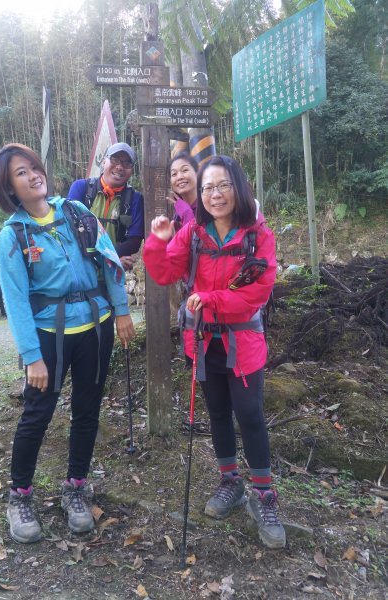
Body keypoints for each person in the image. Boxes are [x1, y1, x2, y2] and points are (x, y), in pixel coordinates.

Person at [0, 143, 135, 544]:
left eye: (34, 167)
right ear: (9, 187)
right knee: (37, 415)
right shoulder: (13, 235)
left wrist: (121, 311)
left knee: (87, 411)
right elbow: (15, 299)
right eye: (21, 173)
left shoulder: (76, 212)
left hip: (96, 324)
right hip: (48, 335)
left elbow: (107, 260)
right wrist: (31, 356)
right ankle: (19, 495)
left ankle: (76, 487)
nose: (33, 175)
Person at [143, 155, 286, 549]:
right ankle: (230, 484)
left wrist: (209, 298)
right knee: (219, 414)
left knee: (251, 415)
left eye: (222, 185)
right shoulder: (191, 233)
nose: (215, 194)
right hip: (204, 343)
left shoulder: (257, 235)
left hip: (244, 343)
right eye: (207, 187)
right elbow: (164, 273)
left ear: (237, 187)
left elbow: (256, 292)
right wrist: (157, 241)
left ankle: (264, 495)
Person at [67, 142, 144, 271]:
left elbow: (134, 242)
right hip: (81, 270)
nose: (120, 167)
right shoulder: (81, 188)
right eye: (114, 159)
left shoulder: (135, 199)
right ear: (103, 162)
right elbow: (69, 230)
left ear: (131, 171)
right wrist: (108, 258)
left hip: (113, 275)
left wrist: (109, 260)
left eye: (127, 163)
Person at [167, 151, 198, 231]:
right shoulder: (176, 210)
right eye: (174, 174)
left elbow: (198, 241)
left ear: (197, 173)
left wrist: (186, 213)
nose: (179, 177)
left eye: (185, 170)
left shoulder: (208, 206)